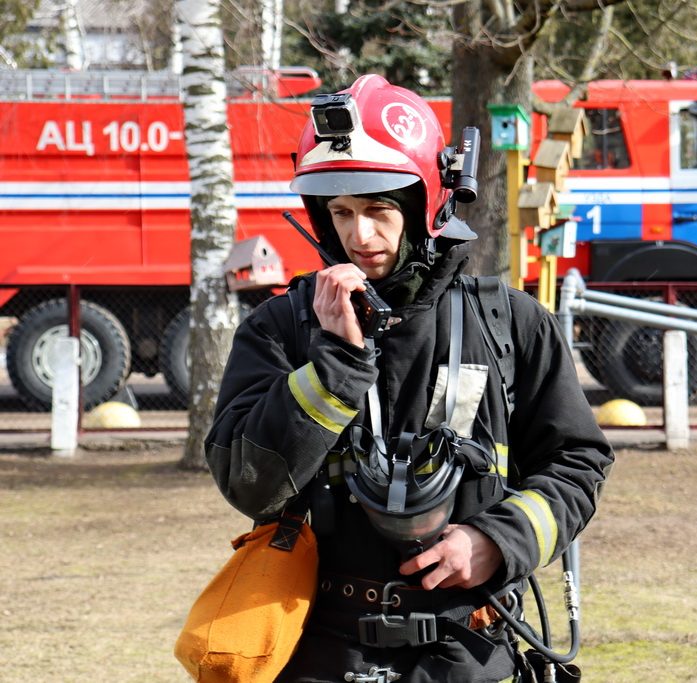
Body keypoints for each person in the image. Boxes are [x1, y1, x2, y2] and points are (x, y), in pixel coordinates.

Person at [204, 74, 614, 683]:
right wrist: (333, 369)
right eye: (339, 212)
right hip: (317, 653)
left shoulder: (511, 322)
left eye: (378, 210)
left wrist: (499, 541)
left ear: (426, 206)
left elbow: (577, 462)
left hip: (469, 650)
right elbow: (249, 486)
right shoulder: (281, 329)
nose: (358, 235)